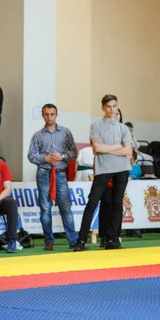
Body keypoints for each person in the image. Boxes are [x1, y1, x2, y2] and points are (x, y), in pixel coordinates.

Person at [73, 94, 133, 251]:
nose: (112, 109)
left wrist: (108, 148)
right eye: (108, 106)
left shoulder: (123, 128)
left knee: (117, 204)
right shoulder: (96, 125)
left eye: (114, 106)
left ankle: (113, 239)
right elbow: (97, 148)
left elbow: (128, 151)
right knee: (92, 201)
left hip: (122, 169)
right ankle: (81, 240)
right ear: (103, 108)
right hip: (103, 169)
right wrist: (117, 147)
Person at [27, 104, 79, 250]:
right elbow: (31, 155)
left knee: (66, 209)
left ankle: (73, 241)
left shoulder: (65, 132)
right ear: (42, 115)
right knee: (45, 209)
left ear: (56, 114)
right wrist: (46, 159)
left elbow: (73, 152)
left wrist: (61, 156)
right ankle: (48, 241)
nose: (49, 117)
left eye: (52, 114)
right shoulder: (37, 135)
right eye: (46, 114)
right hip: (44, 173)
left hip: (60, 174)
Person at [0, 141, 18, 253]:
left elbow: (8, 188)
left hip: (0, 201)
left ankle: (11, 241)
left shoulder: (2, 166)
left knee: (11, 203)